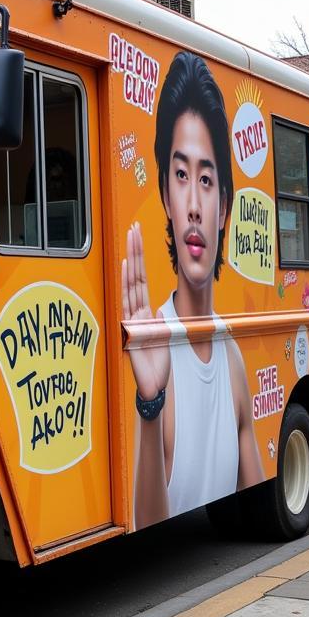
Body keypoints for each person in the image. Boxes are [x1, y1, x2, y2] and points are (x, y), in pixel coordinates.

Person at [122, 51, 262, 528]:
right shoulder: (157, 342)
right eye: (182, 176)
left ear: (225, 206)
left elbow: (255, 482)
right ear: (165, 192)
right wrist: (150, 404)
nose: (195, 205)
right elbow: (147, 522)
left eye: (206, 179)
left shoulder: (233, 361)